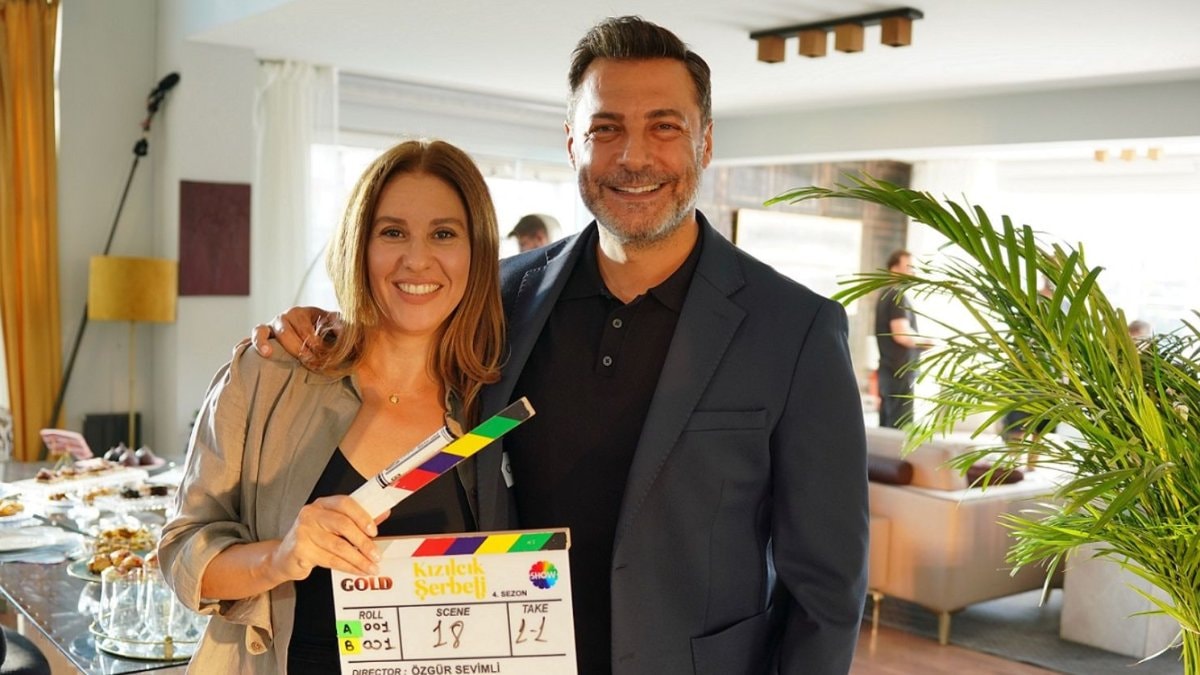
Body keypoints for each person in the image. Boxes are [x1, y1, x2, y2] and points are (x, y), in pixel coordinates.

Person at [256, 16, 867, 674]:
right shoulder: (498, 297)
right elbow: (398, 339)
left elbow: (826, 591)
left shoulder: (796, 329)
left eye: (664, 126)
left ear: (706, 142)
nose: (633, 157)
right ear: (572, 142)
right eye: (606, 129)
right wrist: (324, 328)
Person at [159, 139, 505, 672]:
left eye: (444, 233)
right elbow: (183, 556)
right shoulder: (267, 372)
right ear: (357, 246)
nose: (417, 259)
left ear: (476, 252)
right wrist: (281, 557)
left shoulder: (494, 401)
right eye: (392, 232)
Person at [874, 249, 932, 429]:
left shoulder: (885, 295)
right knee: (899, 429)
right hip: (899, 372)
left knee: (888, 427)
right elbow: (901, 334)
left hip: (890, 372)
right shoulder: (896, 296)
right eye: (909, 268)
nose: (913, 273)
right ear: (894, 269)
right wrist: (927, 342)